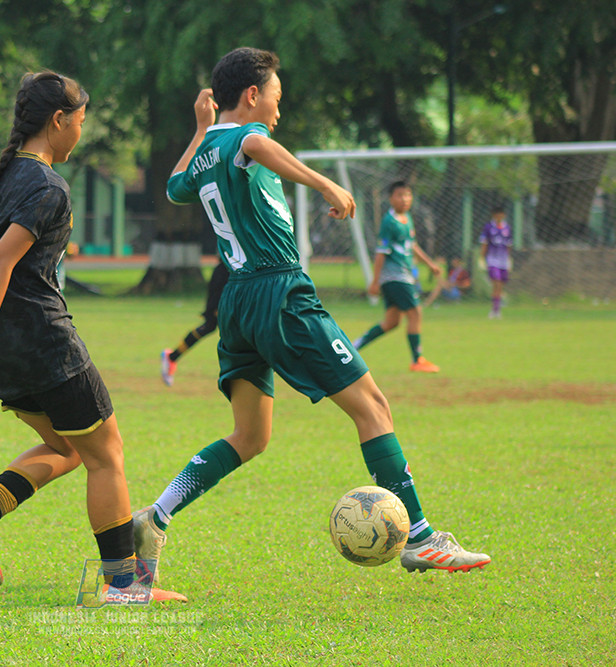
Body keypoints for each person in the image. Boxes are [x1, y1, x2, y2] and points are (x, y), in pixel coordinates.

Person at [133, 47, 490, 585]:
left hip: (237, 302)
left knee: (250, 437)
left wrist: (199, 129)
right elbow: (255, 141)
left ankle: (154, 516)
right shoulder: (247, 139)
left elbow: (174, 186)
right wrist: (324, 183)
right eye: (276, 98)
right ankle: (419, 537)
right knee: (373, 406)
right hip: (280, 293)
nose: (279, 110)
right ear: (252, 95)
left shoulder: (209, 147)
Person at [0, 71, 140, 593]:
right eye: (80, 122)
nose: (80, 132)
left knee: (68, 448)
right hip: (42, 343)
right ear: (59, 120)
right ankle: (124, 588)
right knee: (108, 456)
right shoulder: (47, 185)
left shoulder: (4, 176)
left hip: (10, 348)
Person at [351, 181, 443, 373]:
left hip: (404, 275)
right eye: (400, 195)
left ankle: (352, 347)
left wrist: (430, 264)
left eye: (408, 195)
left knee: (392, 322)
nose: (405, 199)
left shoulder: (406, 218)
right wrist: (375, 281)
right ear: (391, 198)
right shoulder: (389, 222)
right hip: (395, 276)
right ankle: (417, 360)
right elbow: (380, 252)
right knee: (415, 313)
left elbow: (412, 245)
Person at [161, 260, 229, 385]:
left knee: (211, 327)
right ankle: (171, 357)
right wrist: (216, 306)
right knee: (218, 328)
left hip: (230, 279)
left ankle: (172, 357)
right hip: (225, 280)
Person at [479, 205, 513, 318]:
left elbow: (509, 245)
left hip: (503, 260)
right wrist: (482, 258)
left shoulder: (507, 228)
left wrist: (508, 259)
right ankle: (495, 310)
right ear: (494, 215)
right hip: (493, 260)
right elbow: (484, 243)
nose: (499, 216)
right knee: (496, 283)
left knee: (500, 286)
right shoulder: (488, 227)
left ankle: (496, 308)